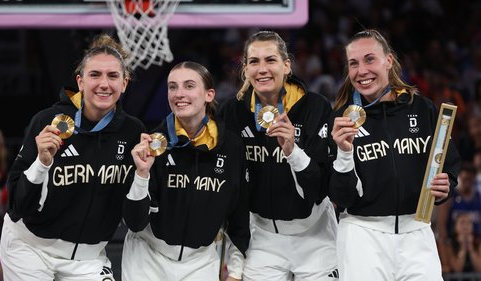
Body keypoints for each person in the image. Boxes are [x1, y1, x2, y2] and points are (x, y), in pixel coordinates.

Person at [0, 33, 146, 281]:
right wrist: (41, 163)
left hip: (88, 258)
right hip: (31, 249)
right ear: (80, 81)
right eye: (95, 75)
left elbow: (136, 220)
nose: (104, 84)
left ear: (125, 84)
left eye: (113, 76)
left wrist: (143, 175)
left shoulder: (133, 132)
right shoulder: (48, 122)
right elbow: (17, 205)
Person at [328, 29, 461, 281]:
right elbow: (340, 196)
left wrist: (447, 184)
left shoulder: (423, 109)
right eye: (353, 63)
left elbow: (449, 164)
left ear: (388, 61)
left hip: (417, 231)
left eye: (370, 59)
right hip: (362, 234)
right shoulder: (341, 120)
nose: (361, 71)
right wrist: (344, 153)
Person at [218, 30, 339, 280]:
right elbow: (229, 185)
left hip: (315, 234)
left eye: (270, 60)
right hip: (262, 238)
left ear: (286, 66)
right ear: (245, 69)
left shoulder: (315, 107)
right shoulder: (232, 112)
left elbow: (319, 187)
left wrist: (293, 150)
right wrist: (233, 253)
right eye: (254, 62)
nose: (262, 69)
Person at [121, 61, 250, 281]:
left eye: (189, 86)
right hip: (147, 259)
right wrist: (142, 174)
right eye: (173, 87)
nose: (179, 94)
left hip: (201, 262)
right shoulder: (151, 143)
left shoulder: (232, 147)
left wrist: (236, 271)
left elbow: (238, 214)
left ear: (209, 94)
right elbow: (133, 222)